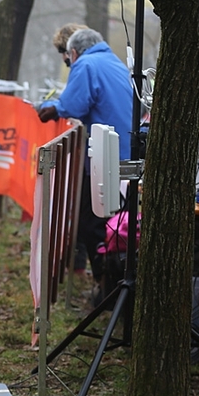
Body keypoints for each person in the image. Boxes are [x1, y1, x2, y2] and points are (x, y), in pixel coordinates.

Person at [37, 27, 132, 301]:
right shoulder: (112, 60)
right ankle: (110, 283)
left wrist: (49, 107)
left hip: (107, 154)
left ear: (73, 53)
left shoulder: (86, 63)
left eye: (67, 58)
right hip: (123, 150)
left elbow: (74, 105)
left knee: (94, 223)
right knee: (114, 221)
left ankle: (107, 287)